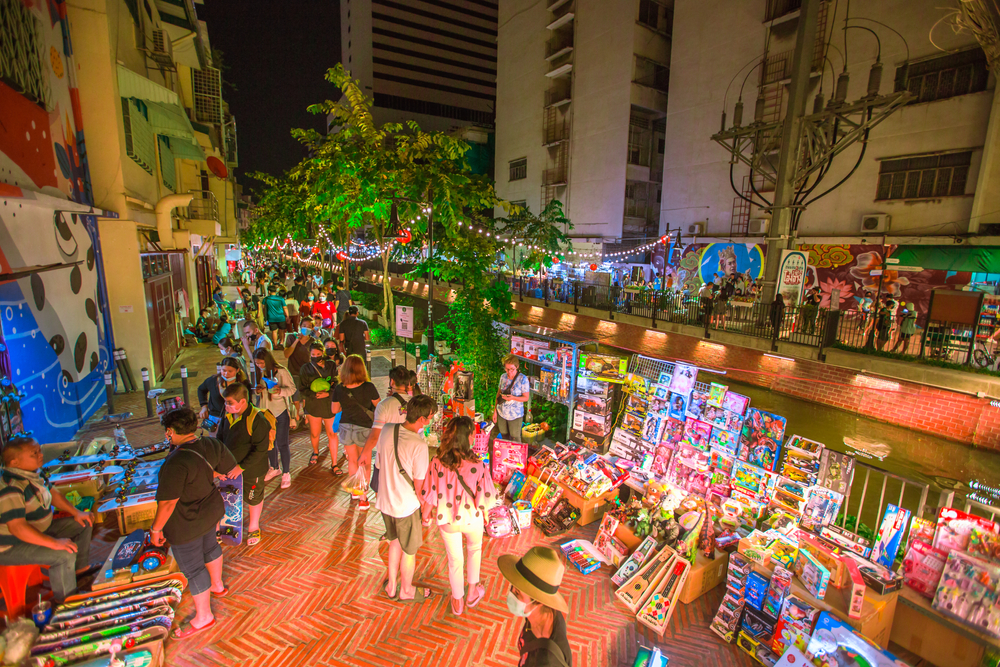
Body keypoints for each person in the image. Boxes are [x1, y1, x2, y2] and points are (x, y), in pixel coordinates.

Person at [151, 408, 237, 638]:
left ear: (170, 431)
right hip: (211, 511)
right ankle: (218, 586)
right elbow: (229, 470)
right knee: (210, 546)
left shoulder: (177, 461)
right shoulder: (211, 444)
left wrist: (156, 528)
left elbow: (168, 504)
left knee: (193, 568)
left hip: (186, 522)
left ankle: (204, 617)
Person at [0, 437, 94, 603]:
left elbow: (53, 494)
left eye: (39, 451)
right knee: (63, 553)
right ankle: (67, 602)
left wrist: (76, 512)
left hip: (38, 530)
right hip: (12, 545)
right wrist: (54, 543)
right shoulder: (10, 486)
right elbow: (18, 529)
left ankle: (80, 571)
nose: (40, 455)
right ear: (15, 462)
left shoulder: (33, 473)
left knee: (84, 521)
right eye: (33, 454)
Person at [419, 416, 495, 616]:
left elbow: (430, 494)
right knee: (474, 550)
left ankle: (457, 601)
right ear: (468, 437)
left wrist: (425, 516)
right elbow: (485, 497)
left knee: (455, 560)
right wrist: (486, 515)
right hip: (472, 519)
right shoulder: (479, 465)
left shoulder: (436, 462)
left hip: (447, 518)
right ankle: (471, 593)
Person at [375, 394, 437, 603]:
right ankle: (406, 590)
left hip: (385, 501)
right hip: (405, 506)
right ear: (421, 419)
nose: (429, 421)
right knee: (409, 551)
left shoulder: (386, 430)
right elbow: (419, 487)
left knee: (394, 543)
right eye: (429, 418)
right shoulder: (419, 445)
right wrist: (426, 510)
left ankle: (392, 586)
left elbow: (379, 464)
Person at [498, 546, 573, 667]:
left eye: (517, 593)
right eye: (513, 587)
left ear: (538, 601)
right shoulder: (539, 613)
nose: (511, 593)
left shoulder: (546, 661)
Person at [218, 383, 272, 546]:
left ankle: (254, 526)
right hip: (228, 469)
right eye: (226, 402)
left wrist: (240, 467)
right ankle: (230, 526)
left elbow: (261, 449)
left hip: (252, 470)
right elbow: (220, 439)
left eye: (230, 403)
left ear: (242, 402)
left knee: (253, 497)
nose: (226, 406)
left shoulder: (257, 419)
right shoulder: (227, 416)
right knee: (230, 498)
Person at [330, 355, 381, 510]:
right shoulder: (368, 387)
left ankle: (355, 491)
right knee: (364, 461)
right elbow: (379, 406)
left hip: (345, 427)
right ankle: (363, 499)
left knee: (352, 460)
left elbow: (334, 410)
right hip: (364, 428)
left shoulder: (340, 388)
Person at [360, 365, 412, 501]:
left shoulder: (384, 405)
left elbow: (375, 435)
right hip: (408, 456)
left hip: (386, 458)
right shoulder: (415, 404)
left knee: (382, 494)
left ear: (392, 382)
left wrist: (365, 453)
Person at [253, 349, 296, 489]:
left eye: (261, 362)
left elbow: (292, 389)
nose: (259, 365)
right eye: (257, 363)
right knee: (269, 442)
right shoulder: (261, 372)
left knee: (282, 443)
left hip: (280, 411)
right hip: (266, 412)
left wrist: (280, 391)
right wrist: (258, 390)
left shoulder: (281, 371)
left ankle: (286, 472)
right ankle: (274, 467)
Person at [299, 342, 341, 465]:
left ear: (322, 352)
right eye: (313, 354)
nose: (316, 356)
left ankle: (334, 462)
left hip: (329, 403)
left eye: (318, 354)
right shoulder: (305, 368)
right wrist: (314, 395)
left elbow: (337, 382)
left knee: (332, 433)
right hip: (314, 404)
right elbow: (302, 388)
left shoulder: (331, 365)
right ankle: (315, 451)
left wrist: (329, 393)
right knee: (314, 432)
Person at [197, 358, 250, 433]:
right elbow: (201, 389)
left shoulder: (244, 383)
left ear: (237, 370)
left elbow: (248, 402)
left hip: (236, 418)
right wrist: (204, 406)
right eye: (224, 370)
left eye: (230, 371)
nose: (226, 374)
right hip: (216, 419)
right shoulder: (213, 380)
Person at [494, 355, 529, 443]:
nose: (509, 372)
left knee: (515, 438)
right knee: (504, 436)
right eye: (507, 369)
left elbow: (526, 398)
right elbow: (498, 394)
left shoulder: (523, 379)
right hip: (501, 412)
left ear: (517, 367)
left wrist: (513, 398)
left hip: (515, 415)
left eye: (512, 369)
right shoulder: (503, 377)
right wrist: (495, 411)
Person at [240, 319, 272, 385]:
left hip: (266, 375)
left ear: (256, 330)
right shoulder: (257, 340)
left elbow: (257, 361)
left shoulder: (264, 342)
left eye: (248, 332)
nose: (247, 335)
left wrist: (246, 347)